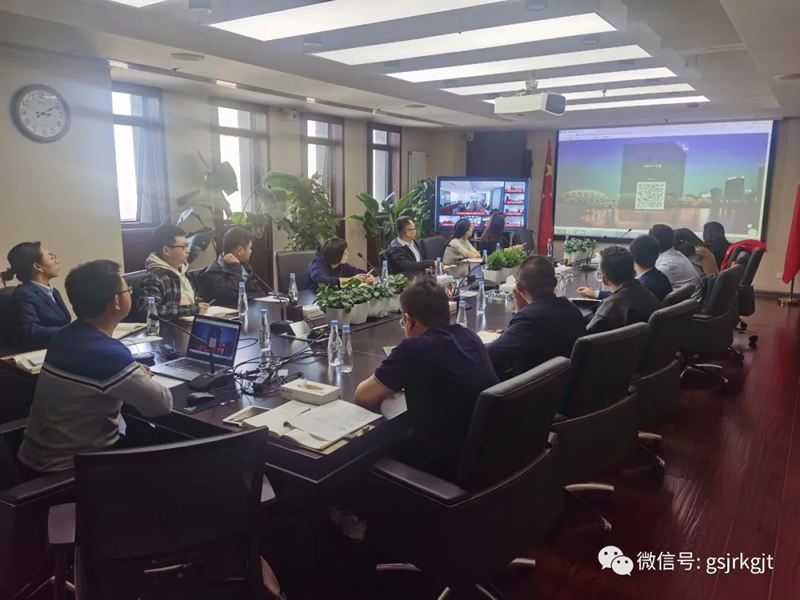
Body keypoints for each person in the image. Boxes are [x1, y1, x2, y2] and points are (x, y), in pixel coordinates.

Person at [17, 260, 173, 473]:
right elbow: (162, 405)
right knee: (170, 446)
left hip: (34, 456)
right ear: (116, 301)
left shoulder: (64, 336)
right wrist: (139, 374)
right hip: (72, 468)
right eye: (128, 290)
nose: (130, 293)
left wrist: (130, 370)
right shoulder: (107, 354)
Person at [354, 277, 499, 481]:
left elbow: (362, 396)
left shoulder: (413, 349)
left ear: (409, 320)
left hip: (443, 466)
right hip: (486, 458)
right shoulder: (469, 336)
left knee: (363, 461)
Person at [487, 255, 586, 380]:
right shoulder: (572, 309)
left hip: (531, 387)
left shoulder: (529, 318)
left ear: (519, 287)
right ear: (555, 283)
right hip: (563, 384)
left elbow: (491, 354)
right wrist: (523, 309)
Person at [2, 242, 71, 349]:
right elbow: (30, 330)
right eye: (51, 257)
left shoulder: (53, 291)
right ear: (38, 266)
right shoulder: (23, 294)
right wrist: (70, 331)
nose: (56, 261)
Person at [586, 246, 662, 334]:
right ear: (634, 274)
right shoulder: (651, 297)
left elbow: (586, 338)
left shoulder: (608, 310)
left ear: (604, 280)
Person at [138, 224, 208, 319]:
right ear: (167, 250)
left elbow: (194, 299)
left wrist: (201, 305)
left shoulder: (182, 270)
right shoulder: (155, 276)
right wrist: (192, 309)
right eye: (184, 246)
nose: (188, 251)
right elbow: (148, 310)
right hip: (172, 327)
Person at [577, 235, 673, 301]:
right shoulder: (659, 277)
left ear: (632, 256)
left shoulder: (645, 286)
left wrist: (595, 294)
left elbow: (622, 297)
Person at [201, 226, 262, 306]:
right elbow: (232, 296)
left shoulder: (245, 266)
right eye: (250, 248)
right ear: (239, 250)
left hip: (252, 307)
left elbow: (257, 292)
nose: (251, 251)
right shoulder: (213, 272)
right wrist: (235, 269)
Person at [649, 224, 702, 297]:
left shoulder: (666, 264)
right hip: (691, 301)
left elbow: (649, 287)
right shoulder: (677, 255)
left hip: (684, 303)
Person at [305, 237, 374, 293]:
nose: (348, 254)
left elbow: (358, 272)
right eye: (344, 253)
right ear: (335, 255)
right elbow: (322, 280)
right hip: (311, 299)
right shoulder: (317, 264)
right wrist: (351, 280)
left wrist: (369, 276)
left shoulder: (341, 265)